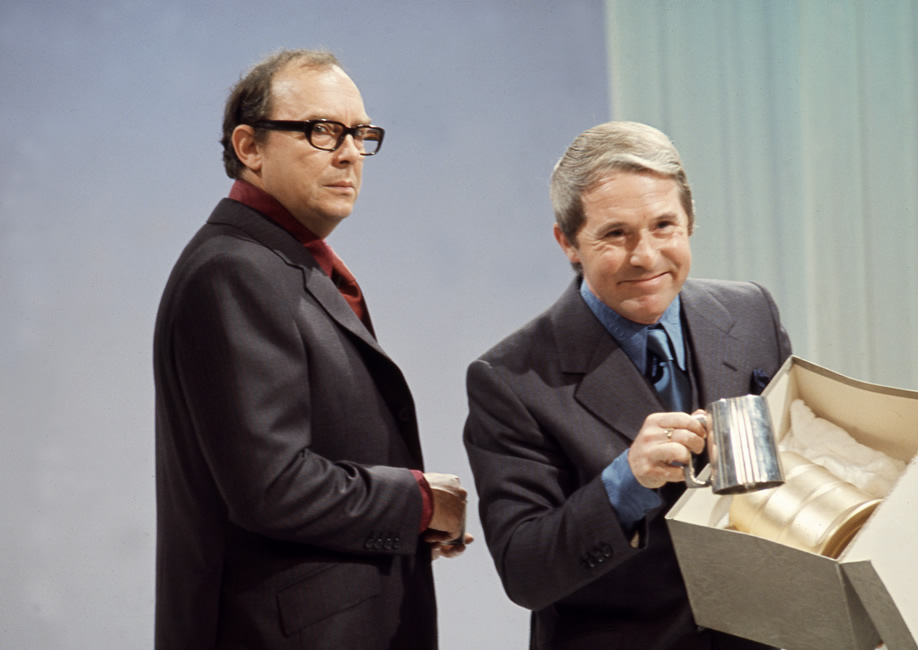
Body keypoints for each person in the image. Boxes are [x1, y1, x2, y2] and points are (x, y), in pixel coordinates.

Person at [154, 49, 470, 649]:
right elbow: (271, 486)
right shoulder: (233, 272)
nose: (350, 151)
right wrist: (418, 503)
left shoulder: (277, 264)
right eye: (322, 131)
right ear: (249, 148)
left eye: (361, 133)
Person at [463, 121, 791, 649]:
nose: (645, 256)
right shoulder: (511, 379)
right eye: (616, 234)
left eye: (664, 226)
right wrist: (626, 484)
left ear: (690, 223)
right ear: (568, 242)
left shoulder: (751, 313)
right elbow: (525, 571)